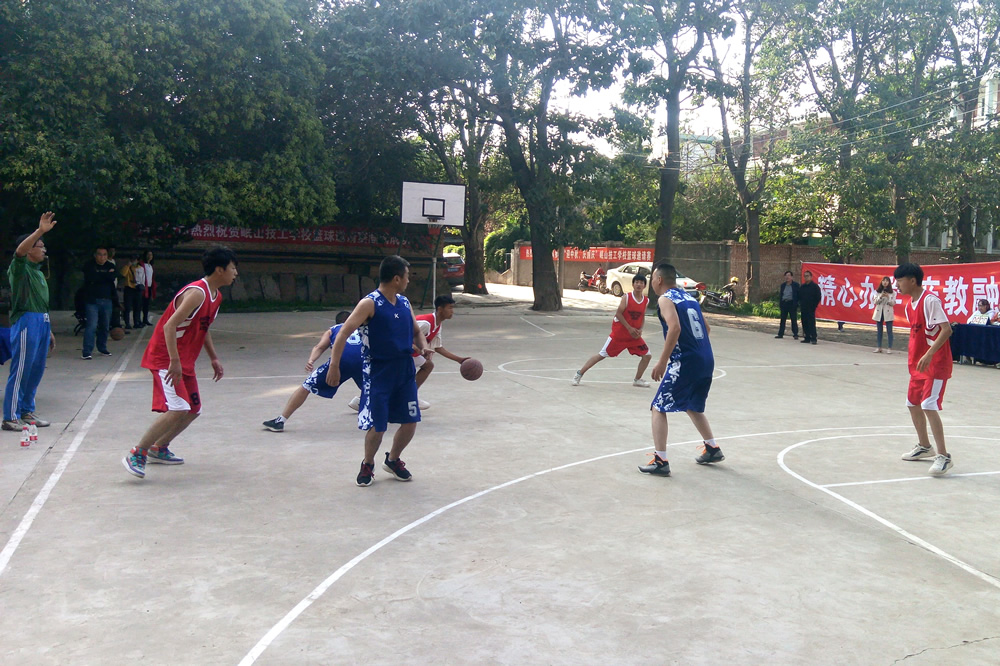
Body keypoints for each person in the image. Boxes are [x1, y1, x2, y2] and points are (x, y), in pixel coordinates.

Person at [121, 246, 239, 479]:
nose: (235, 273)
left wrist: (214, 357)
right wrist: (174, 361)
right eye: (233, 268)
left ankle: (159, 447)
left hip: (184, 361)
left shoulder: (216, 296)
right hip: (166, 358)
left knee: (193, 409)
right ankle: (137, 452)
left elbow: (203, 327)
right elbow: (169, 326)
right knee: (178, 408)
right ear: (220, 269)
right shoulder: (197, 293)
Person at [328, 255, 432, 487]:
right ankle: (368, 463)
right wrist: (334, 365)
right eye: (406, 276)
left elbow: (417, 332)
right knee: (378, 424)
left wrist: (424, 347)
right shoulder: (369, 303)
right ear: (396, 278)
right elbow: (343, 333)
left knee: (410, 420)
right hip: (378, 373)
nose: (408, 280)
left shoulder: (404, 302)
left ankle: (393, 459)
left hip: (404, 371)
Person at [638, 263, 723, 476]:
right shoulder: (689, 298)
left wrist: (662, 361)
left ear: (658, 279)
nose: (651, 283)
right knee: (692, 404)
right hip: (706, 358)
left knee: (658, 406)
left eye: (652, 278)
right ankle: (712, 448)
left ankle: (661, 461)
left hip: (686, 360)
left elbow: (674, 327)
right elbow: (707, 328)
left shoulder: (665, 299)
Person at [347, 294, 470, 411]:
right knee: (391, 381)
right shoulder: (426, 323)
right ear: (440, 309)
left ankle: (410, 396)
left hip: (407, 354)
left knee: (427, 366)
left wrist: (459, 360)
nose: (452, 311)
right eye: (450, 308)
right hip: (395, 353)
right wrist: (417, 348)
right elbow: (400, 336)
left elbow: (438, 347)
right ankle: (362, 401)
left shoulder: (437, 324)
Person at [895, 263, 954, 476]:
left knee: (929, 404)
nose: (897, 285)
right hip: (918, 365)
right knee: (912, 403)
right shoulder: (909, 305)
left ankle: (944, 456)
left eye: (900, 281)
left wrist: (929, 354)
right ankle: (924, 446)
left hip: (935, 364)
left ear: (912, 280)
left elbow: (946, 330)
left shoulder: (930, 301)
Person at [262, 312, 363, 432]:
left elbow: (319, 347)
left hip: (340, 362)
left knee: (306, 386)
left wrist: (311, 360)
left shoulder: (333, 330)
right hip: (364, 361)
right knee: (375, 387)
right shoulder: (362, 329)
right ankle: (371, 406)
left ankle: (280, 421)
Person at [2, 212, 57, 431]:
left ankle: (26, 411)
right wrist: (40, 231)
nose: (44, 250)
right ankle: (10, 417)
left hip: (41, 321)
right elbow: (19, 252)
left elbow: (42, 304)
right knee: (21, 370)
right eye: (40, 246)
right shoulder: (20, 269)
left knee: (35, 370)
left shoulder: (38, 273)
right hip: (26, 321)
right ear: (30, 249)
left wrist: (48, 329)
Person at [572, 273, 652, 387]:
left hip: (634, 336)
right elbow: (618, 314)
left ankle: (637, 380)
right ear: (633, 284)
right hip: (619, 335)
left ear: (644, 285)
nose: (639, 284)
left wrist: (640, 329)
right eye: (636, 282)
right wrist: (629, 328)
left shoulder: (646, 301)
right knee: (601, 355)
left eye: (641, 283)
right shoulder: (627, 298)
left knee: (647, 355)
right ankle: (579, 374)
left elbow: (642, 316)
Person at [81, 246, 117, 359]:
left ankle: (102, 347)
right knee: (91, 326)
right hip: (92, 301)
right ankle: (87, 351)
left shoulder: (111, 266)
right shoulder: (89, 265)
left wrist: (101, 276)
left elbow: (112, 277)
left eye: (104, 255)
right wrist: (105, 275)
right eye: (100, 254)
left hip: (107, 300)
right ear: (95, 255)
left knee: (105, 326)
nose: (102, 257)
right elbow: (92, 278)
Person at [871, 276, 896, 354]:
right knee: (879, 331)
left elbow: (893, 303)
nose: (885, 282)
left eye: (887, 281)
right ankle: (879, 347)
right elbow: (875, 302)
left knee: (889, 331)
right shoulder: (877, 291)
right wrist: (881, 297)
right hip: (879, 312)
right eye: (883, 281)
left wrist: (888, 298)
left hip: (888, 312)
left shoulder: (893, 292)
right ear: (881, 282)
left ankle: (889, 348)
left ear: (889, 283)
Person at [120, 254, 144, 330]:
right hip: (129, 288)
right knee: (127, 307)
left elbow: (142, 278)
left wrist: (142, 286)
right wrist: (128, 265)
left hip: (137, 288)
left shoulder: (140, 268)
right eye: (132, 259)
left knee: (137, 306)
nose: (134, 261)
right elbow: (123, 274)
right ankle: (127, 323)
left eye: (135, 259)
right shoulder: (128, 268)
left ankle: (136, 322)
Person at [775, 270, 799, 340]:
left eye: (789, 275)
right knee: (783, 320)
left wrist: (797, 304)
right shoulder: (783, 285)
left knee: (793, 319)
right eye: (786, 275)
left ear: (792, 277)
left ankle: (795, 334)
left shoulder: (796, 285)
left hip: (791, 303)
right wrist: (780, 303)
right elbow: (781, 295)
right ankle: (780, 334)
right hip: (784, 303)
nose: (787, 277)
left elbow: (798, 295)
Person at [799, 270, 821, 345]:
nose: (806, 277)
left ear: (811, 277)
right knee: (804, 323)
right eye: (805, 276)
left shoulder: (815, 286)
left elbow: (818, 297)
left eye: (807, 276)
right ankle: (807, 337)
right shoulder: (802, 287)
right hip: (803, 307)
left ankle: (814, 338)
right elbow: (799, 296)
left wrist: (814, 305)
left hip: (811, 308)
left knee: (811, 323)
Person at [138, 250, 155, 326]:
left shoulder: (150, 266)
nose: (150, 256)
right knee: (140, 304)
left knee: (146, 304)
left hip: (149, 287)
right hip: (143, 287)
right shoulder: (142, 265)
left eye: (151, 255)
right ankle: (138, 320)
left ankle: (145, 319)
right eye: (148, 254)